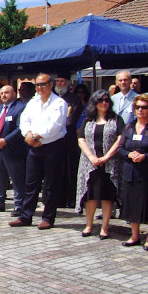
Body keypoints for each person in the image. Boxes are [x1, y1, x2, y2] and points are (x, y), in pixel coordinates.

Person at [9, 73, 68, 230]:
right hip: (33, 147)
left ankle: (48, 217)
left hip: (52, 147)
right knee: (31, 183)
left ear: (50, 85)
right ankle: (26, 216)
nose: (39, 88)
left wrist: (36, 136)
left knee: (51, 184)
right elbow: (24, 120)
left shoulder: (59, 103)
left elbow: (55, 126)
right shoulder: (33, 103)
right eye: (37, 85)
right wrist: (28, 134)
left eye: (42, 84)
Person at [118, 94, 148, 250]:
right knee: (132, 204)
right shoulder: (129, 127)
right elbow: (120, 148)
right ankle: (134, 236)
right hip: (130, 172)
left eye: (144, 107)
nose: (140, 110)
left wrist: (145, 156)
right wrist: (129, 154)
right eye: (137, 107)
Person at [75, 90, 124, 238]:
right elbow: (81, 139)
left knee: (106, 196)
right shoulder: (87, 120)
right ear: (94, 103)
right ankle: (89, 225)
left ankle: (105, 227)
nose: (104, 103)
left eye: (107, 100)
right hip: (90, 164)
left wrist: (106, 157)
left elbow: (121, 139)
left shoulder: (116, 120)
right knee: (91, 196)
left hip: (109, 164)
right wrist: (91, 156)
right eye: (101, 100)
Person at [0, 85, 27, 215]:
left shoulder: (20, 108)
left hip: (13, 150)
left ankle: (19, 205)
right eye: (1, 93)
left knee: (17, 179)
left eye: (6, 93)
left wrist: (5, 141)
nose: (3, 95)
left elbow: (20, 129)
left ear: (14, 94)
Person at [55, 72, 81, 209]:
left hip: (68, 140)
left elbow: (70, 121)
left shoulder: (74, 99)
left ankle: (70, 200)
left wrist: (54, 126)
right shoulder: (52, 99)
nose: (59, 84)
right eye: (58, 81)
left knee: (69, 170)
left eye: (62, 81)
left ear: (69, 83)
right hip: (54, 142)